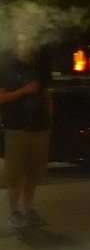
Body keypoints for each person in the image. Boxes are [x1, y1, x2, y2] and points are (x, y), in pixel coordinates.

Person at [0, 33, 52, 229]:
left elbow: (47, 95)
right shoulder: (7, 68)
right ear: (17, 46)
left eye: (30, 42)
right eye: (23, 43)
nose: (27, 46)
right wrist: (24, 91)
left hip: (40, 128)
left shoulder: (40, 68)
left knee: (34, 173)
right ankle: (14, 212)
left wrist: (49, 119)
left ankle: (28, 209)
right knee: (15, 174)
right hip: (17, 128)